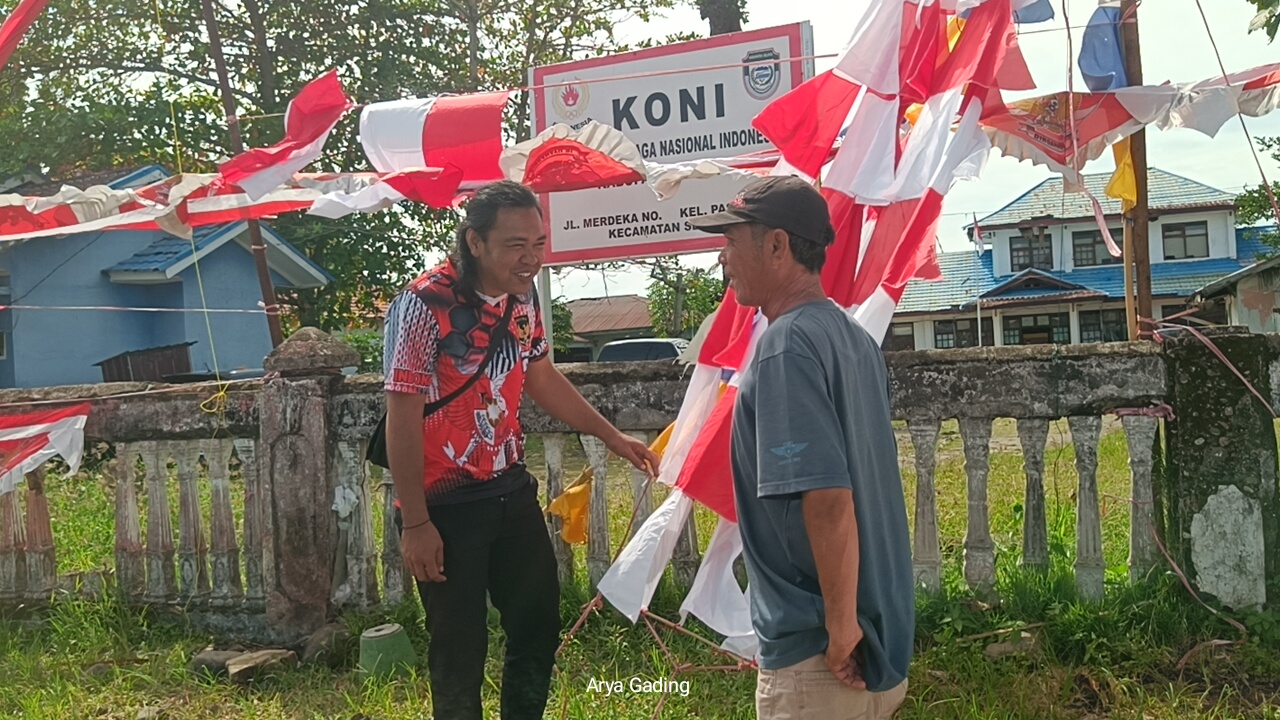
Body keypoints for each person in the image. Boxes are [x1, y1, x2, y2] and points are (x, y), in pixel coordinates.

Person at [382, 180, 659, 720]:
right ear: (475, 242)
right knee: (458, 651)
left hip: (510, 489)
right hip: (445, 505)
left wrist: (610, 436)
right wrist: (415, 522)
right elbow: (402, 415)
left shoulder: (523, 298)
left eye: (538, 243)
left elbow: (540, 376)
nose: (531, 258)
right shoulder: (423, 304)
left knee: (536, 627)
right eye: (515, 245)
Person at [690, 176, 915, 720]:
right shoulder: (852, 337)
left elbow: (828, 498)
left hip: (823, 662)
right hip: (881, 649)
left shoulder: (785, 346)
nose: (722, 259)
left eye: (731, 241)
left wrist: (839, 629)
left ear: (776, 245)